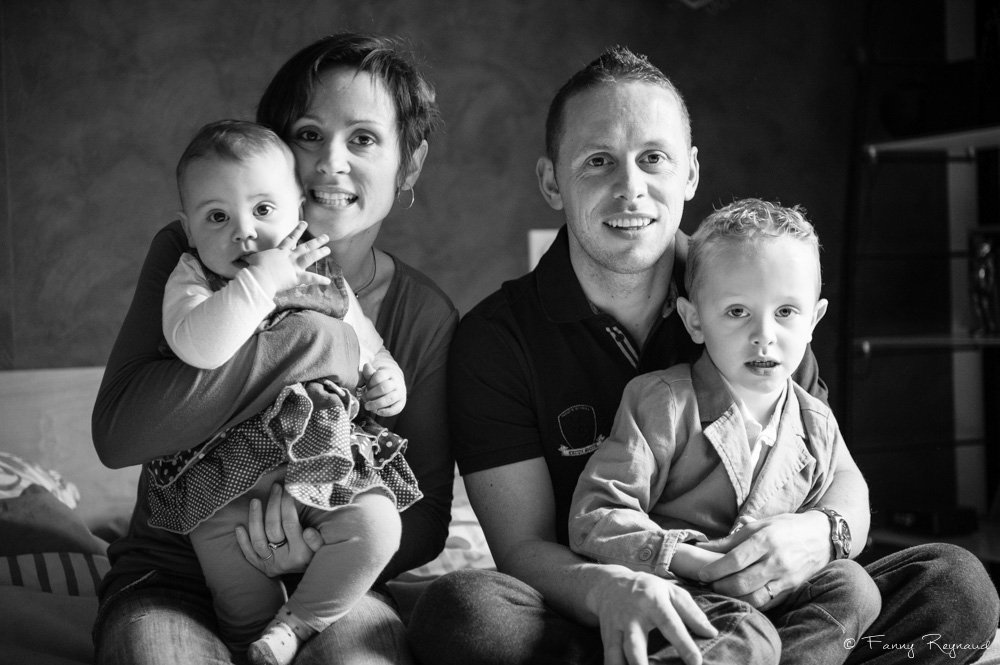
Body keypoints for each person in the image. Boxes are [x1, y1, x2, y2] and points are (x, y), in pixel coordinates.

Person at [407, 45, 999, 665]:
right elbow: (524, 547)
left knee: (955, 586)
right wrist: (616, 590)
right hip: (602, 600)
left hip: (778, 599)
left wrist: (820, 534)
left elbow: (832, 466)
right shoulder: (495, 340)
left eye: (653, 159)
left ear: (689, 173)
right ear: (553, 181)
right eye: (598, 161)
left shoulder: (753, 292)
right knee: (467, 614)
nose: (629, 187)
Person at [92, 32, 457, 665]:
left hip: (328, 577)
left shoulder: (420, 313)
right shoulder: (191, 255)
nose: (330, 163)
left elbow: (422, 520)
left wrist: (307, 547)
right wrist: (316, 341)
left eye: (364, 139)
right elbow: (120, 434)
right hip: (172, 570)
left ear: (411, 165)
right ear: (272, 148)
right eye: (309, 133)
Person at [150, 119, 421, 664]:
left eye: (264, 211)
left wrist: (387, 377)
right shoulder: (192, 280)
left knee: (377, 526)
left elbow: (364, 341)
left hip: (319, 460)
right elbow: (200, 347)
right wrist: (260, 283)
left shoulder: (322, 277)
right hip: (220, 477)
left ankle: (295, 624)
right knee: (236, 579)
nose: (244, 233)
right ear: (189, 228)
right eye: (217, 217)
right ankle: (250, 640)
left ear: (298, 210)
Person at [568, 198, 880, 664]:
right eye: (737, 312)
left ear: (814, 321)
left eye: (787, 312)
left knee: (858, 590)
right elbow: (596, 514)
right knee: (742, 633)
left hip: (780, 598)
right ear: (695, 320)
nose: (765, 335)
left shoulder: (816, 421)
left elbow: (835, 519)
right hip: (684, 590)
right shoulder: (661, 401)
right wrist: (687, 558)